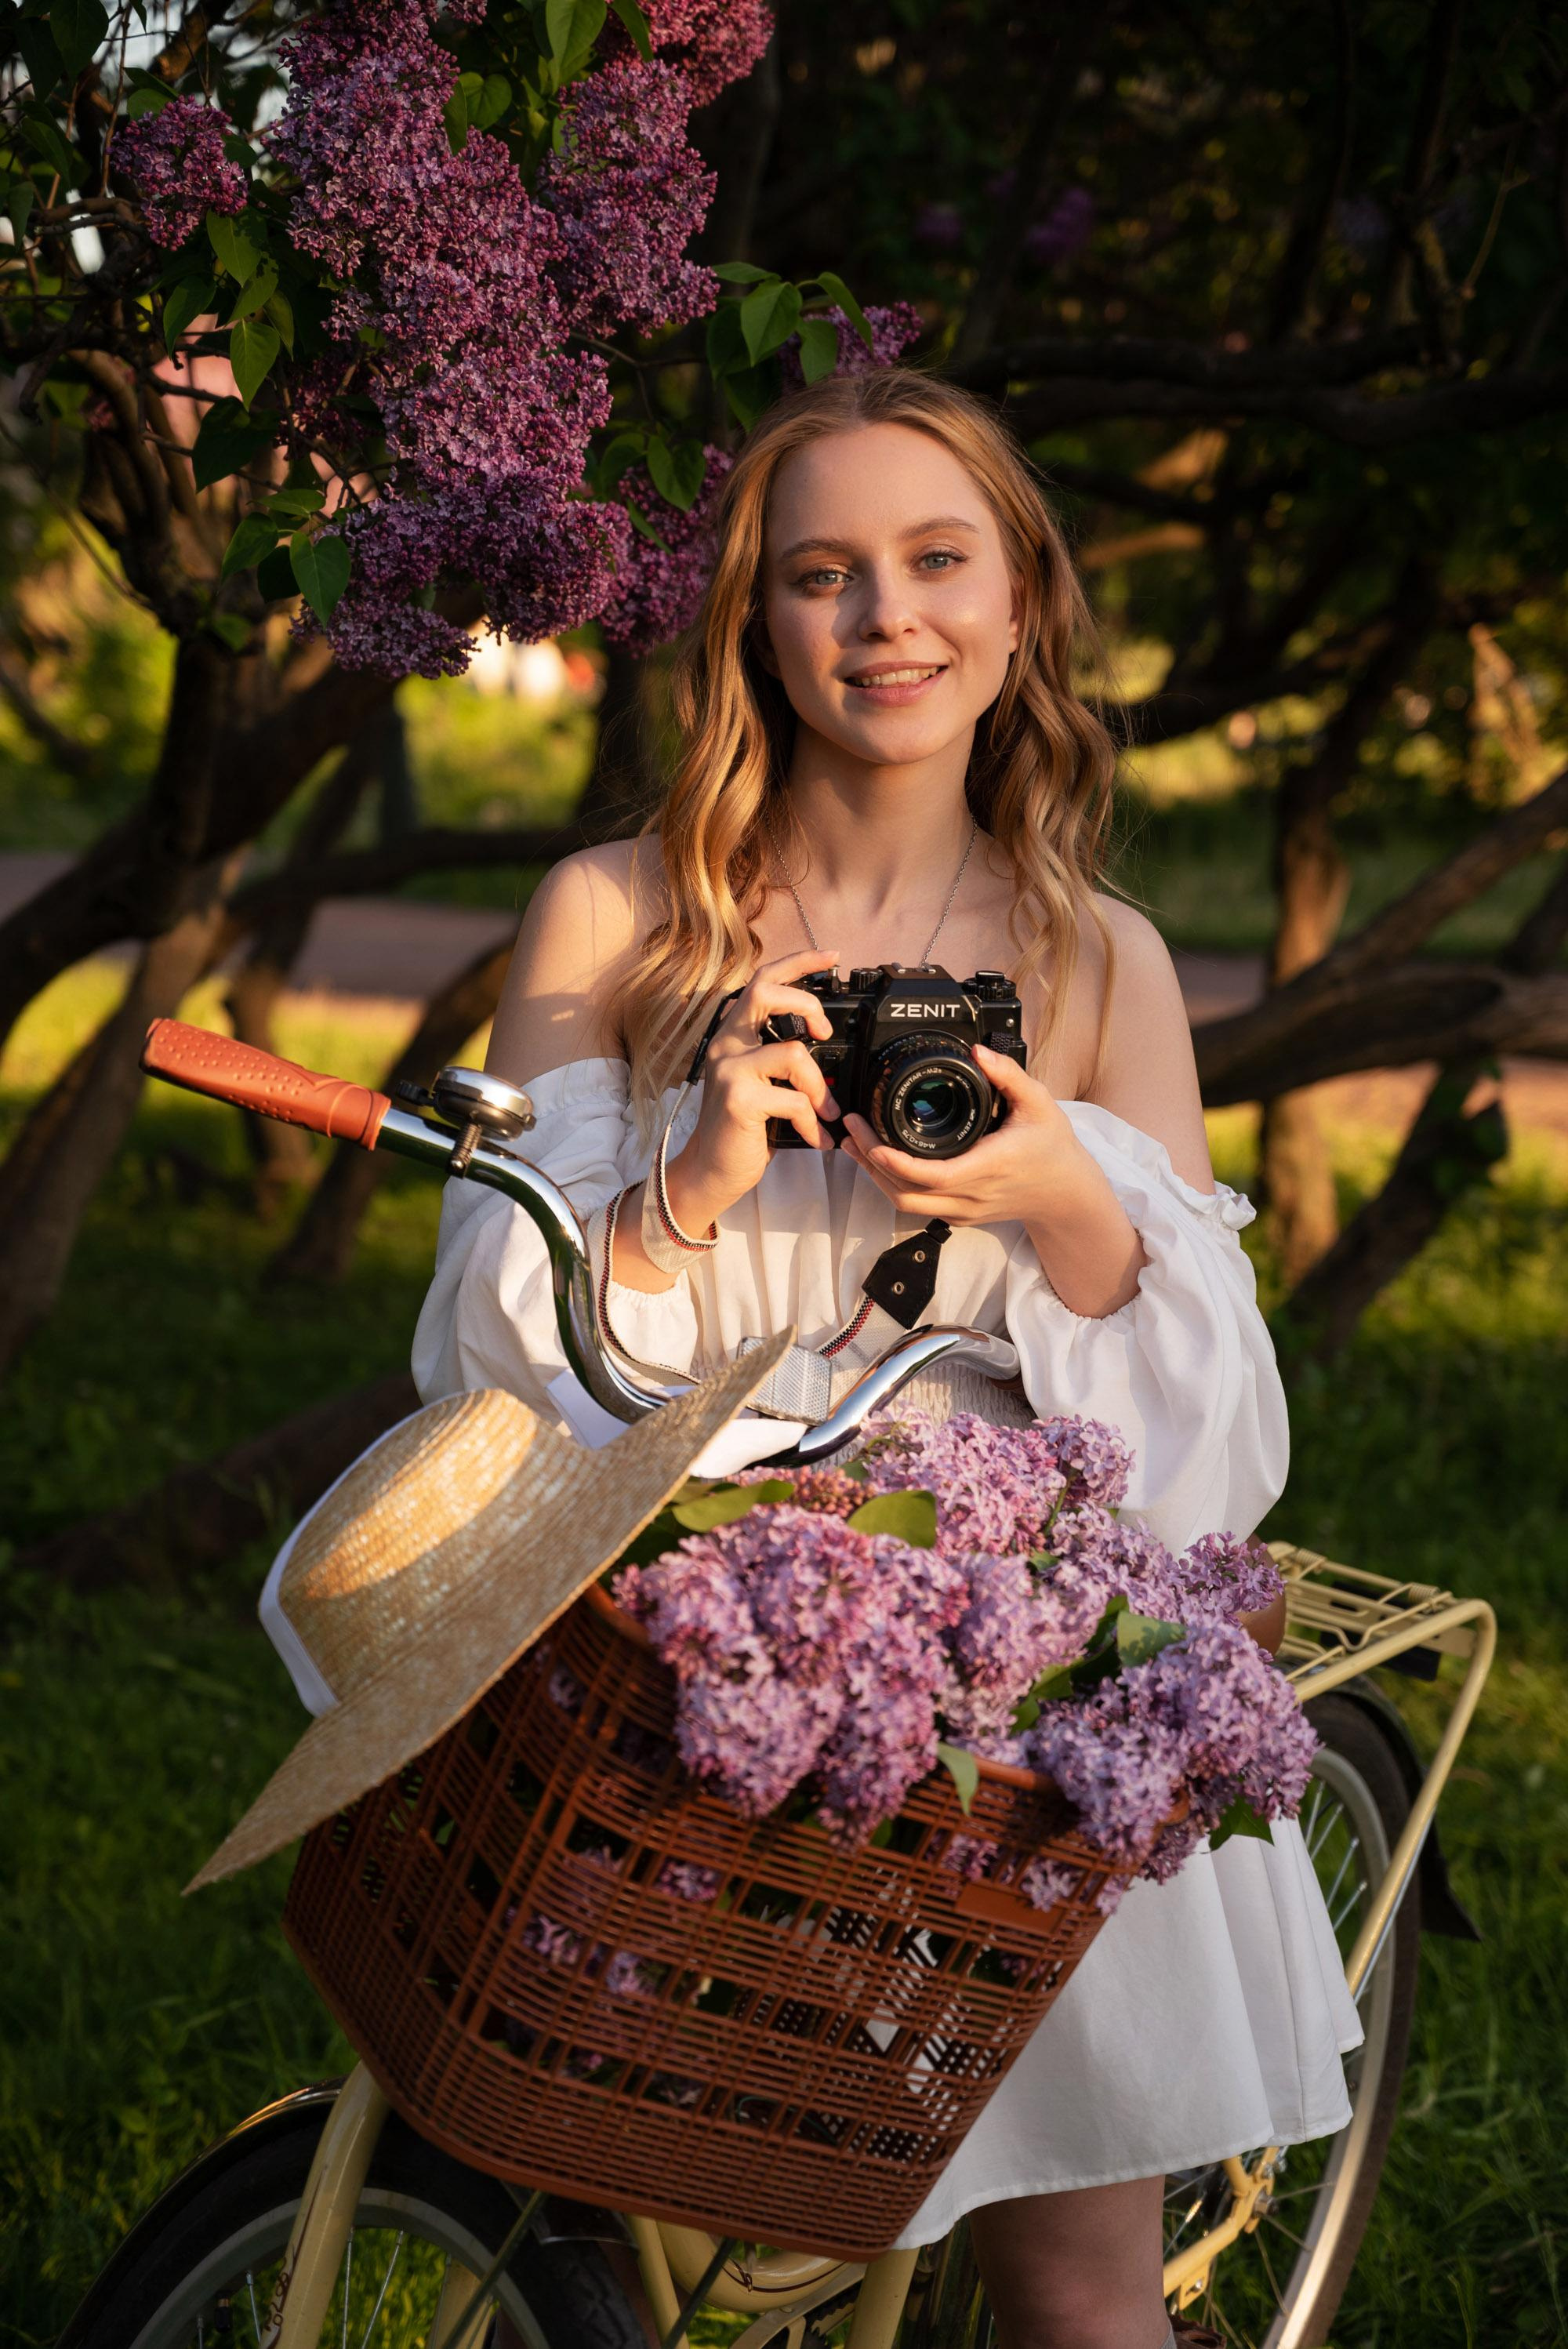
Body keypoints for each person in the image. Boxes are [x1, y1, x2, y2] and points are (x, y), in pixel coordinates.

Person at [412, 369, 1362, 2349]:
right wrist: (690, 1174)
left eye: (938, 563)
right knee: (577, 2207)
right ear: (755, 622)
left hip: (997, 1586)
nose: (885, 621)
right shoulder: (618, 913)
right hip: (671, 1552)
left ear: (1022, 605)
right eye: (821, 575)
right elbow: (494, 1357)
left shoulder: (1093, 954)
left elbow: (1212, 1449)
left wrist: (1060, 1196)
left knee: (1081, 2286)